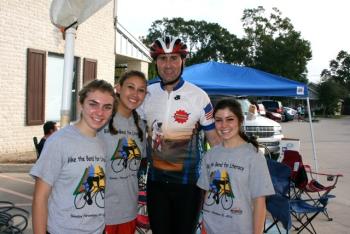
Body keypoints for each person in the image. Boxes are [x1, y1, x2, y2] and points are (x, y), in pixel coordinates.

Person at [139, 36, 221, 234]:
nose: (168, 65)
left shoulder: (198, 96)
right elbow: (135, 132)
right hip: (156, 183)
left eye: (174, 58)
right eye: (162, 59)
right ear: (155, 62)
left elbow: (215, 142)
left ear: (183, 61)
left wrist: (243, 153)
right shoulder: (146, 95)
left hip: (189, 185)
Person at [30, 79, 116, 234]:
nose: (99, 112)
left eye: (107, 107)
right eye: (93, 104)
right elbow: (40, 199)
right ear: (80, 104)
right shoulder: (58, 141)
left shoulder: (103, 143)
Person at [197, 99, 275, 234]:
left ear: (240, 121)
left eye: (230, 119)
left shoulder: (253, 156)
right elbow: (207, 196)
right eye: (218, 120)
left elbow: (259, 203)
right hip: (209, 228)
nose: (223, 125)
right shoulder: (210, 155)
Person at [98, 70, 147, 234]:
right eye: (130, 87)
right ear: (118, 88)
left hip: (128, 211)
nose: (135, 94)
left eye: (141, 90)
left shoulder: (140, 124)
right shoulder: (100, 118)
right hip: (99, 212)